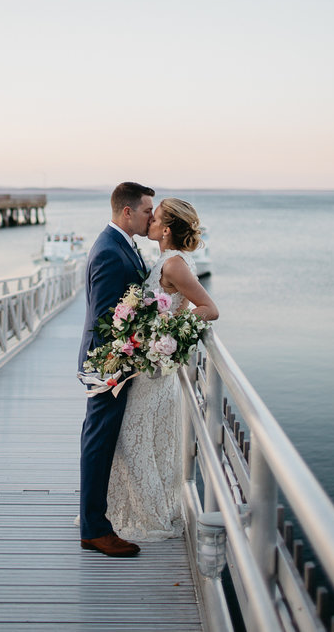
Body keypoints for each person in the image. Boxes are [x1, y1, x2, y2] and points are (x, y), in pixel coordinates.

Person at [104, 197, 219, 542]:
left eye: (155, 219)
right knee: (144, 442)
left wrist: (166, 330)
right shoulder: (166, 260)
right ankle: (137, 511)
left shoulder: (174, 265)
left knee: (132, 442)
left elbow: (209, 309)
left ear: (165, 230)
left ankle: (150, 517)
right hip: (149, 369)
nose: (149, 221)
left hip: (154, 372)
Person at [77, 181, 155, 557]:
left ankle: (96, 522)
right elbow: (108, 319)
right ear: (127, 211)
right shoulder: (109, 251)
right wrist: (120, 365)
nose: (152, 216)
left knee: (100, 438)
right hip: (107, 363)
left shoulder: (121, 244)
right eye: (146, 211)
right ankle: (94, 529)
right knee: (98, 442)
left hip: (113, 362)